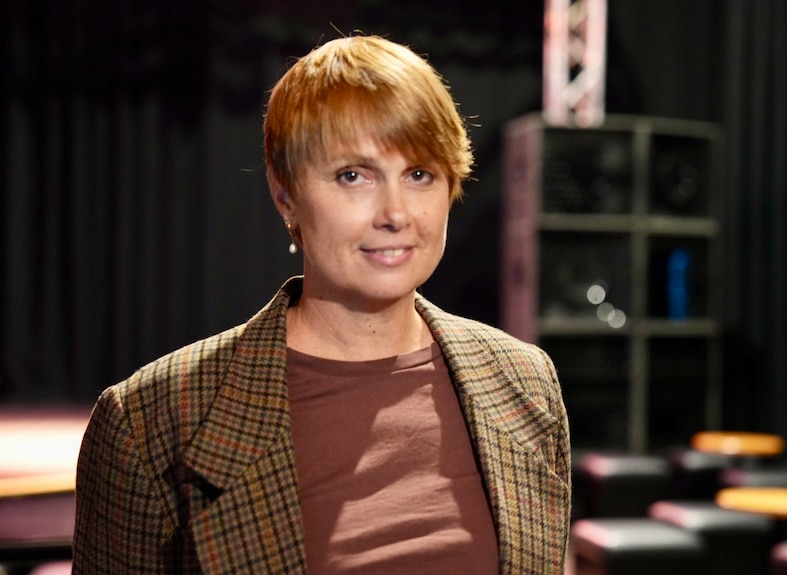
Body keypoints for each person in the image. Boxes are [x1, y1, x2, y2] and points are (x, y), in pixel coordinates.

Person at [73, 34, 571, 574]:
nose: (396, 213)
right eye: (353, 176)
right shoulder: (150, 422)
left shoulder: (525, 381)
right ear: (285, 193)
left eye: (419, 174)